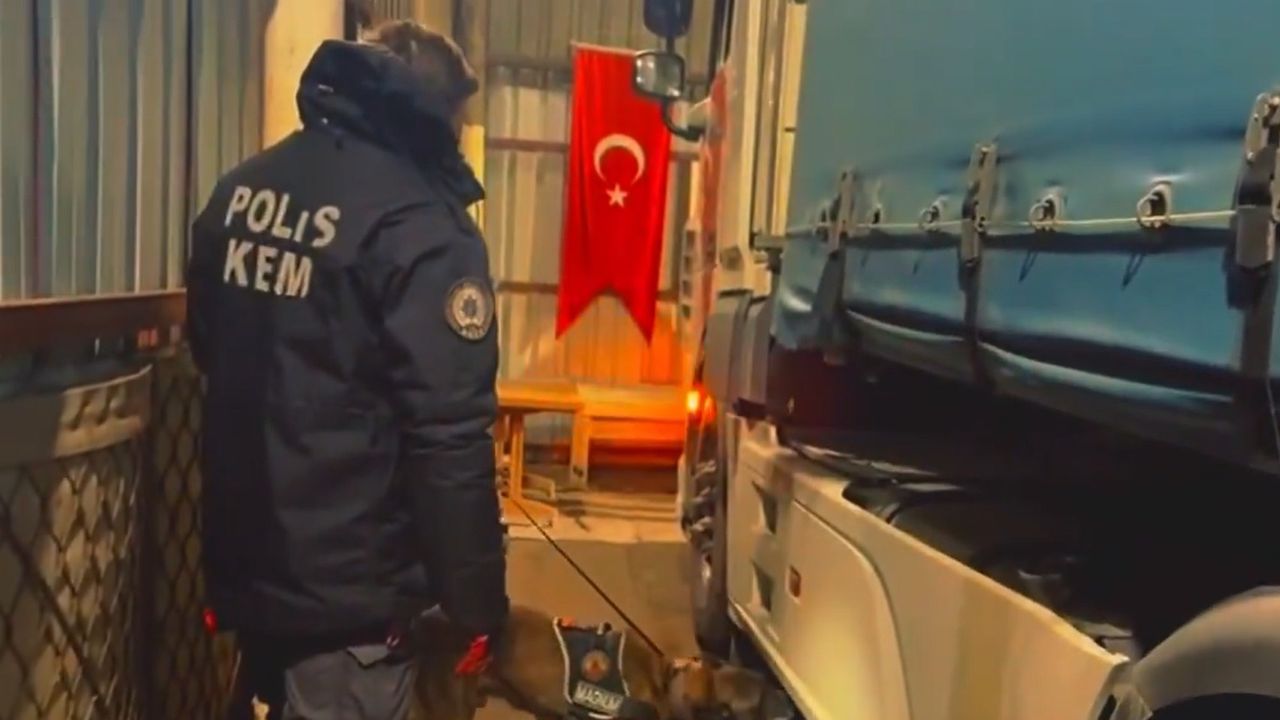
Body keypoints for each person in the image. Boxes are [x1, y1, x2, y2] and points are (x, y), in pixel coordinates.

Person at [185, 20, 508, 719]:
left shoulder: (241, 192)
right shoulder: (423, 226)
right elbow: (449, 435)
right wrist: (477, 604)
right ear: (432, 110)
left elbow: (210, 347)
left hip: (250, 563)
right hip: (353, 596)